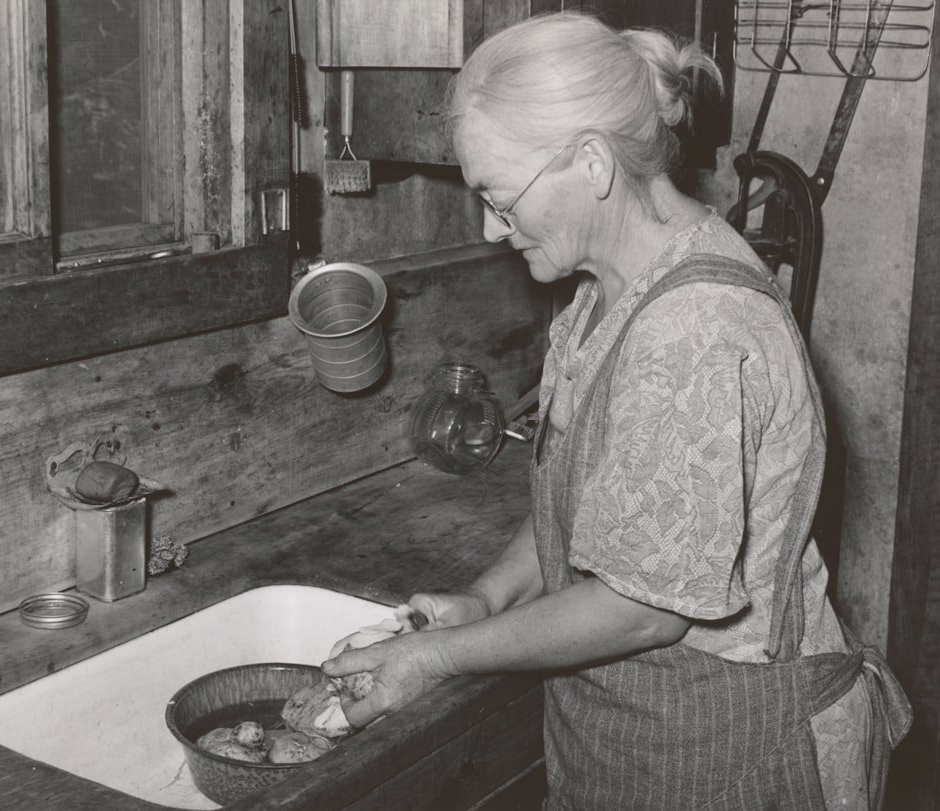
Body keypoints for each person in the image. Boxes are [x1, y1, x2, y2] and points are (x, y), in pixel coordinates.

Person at [322, 11, 911, 810]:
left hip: (727, 754)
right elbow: (581, 482)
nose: (492, 228)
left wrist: (436, 657)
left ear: (592, 162)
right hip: (628, 743)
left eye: (499, 196)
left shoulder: (695, 328)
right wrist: (488, 598)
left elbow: (640, 609)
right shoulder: (604, 291)